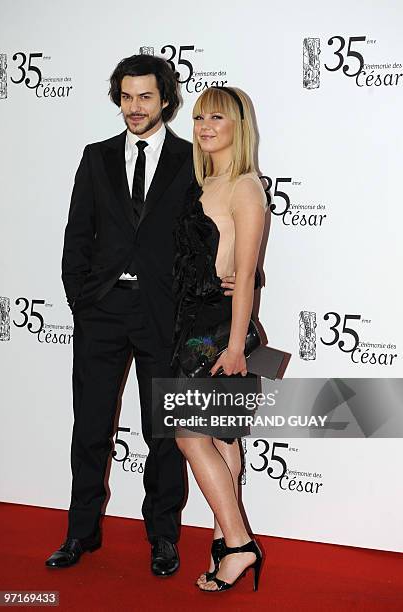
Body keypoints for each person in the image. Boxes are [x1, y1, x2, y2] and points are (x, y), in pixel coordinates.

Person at [45, 54, 236, 576]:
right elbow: (76, 235)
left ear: (166, 100)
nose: (134, 106)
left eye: (145, 96)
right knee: (89, 427)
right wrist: (80, 300)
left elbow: (207, 233)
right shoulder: (96, 156)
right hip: (102, 311)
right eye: (127, 96)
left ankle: (163, 539)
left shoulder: (189, 160)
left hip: (164, 314)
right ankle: (80, 533)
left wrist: (228, 276)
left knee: (163, 434)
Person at [171, 86, 270, 592]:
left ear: (238, 126)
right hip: (190, 323)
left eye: (217, 117)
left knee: (190, 435)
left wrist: (235, 346)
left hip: (217, 332)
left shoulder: (246, 188)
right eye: (199, 117)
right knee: (221, 436)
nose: (205, 125)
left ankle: (239, 545)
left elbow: (248, 275)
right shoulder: (202, 182)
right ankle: (224, 539)